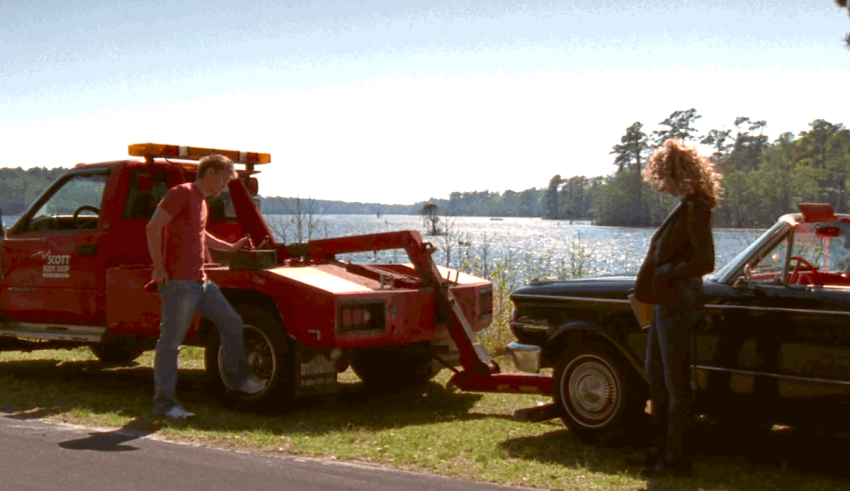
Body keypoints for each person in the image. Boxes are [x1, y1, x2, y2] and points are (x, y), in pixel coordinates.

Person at [145, 154, 263, 420]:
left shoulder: (201, 202)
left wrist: (230, 247)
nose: (224, 186)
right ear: (210, 172)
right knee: (170, 344)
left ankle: (238, 379)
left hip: (200, 282)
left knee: (231, 322)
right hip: (178, 283)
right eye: (223, 179)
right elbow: (153, 227)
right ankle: (164, 405)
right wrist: (159, 267)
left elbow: (200, 233)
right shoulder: (181, 193)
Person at [633, 139, 722, 475]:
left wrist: (665, 272)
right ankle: (658, 450)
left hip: (677, 303)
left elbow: (705, 260)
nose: (662, 184)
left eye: (664, 176)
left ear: (676, 174)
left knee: (674, 381)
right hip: (665, 302)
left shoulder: (696, 206)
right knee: (657, 375)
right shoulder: (686, 205)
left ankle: (676, 457)